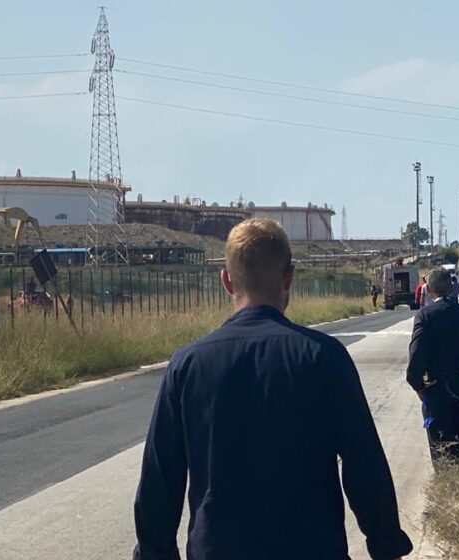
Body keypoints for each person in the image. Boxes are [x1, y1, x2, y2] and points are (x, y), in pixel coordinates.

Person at [133, 219, 412, 560]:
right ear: (288, 278)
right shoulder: (324, 357)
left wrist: (154, 553)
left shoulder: (187, 365)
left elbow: (160, 484)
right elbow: (363, 462)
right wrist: (385, 544)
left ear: (226, 280)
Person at [407, 268, 459, 468]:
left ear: (429, 289)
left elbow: (415, 360)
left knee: (442, 452)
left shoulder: (425, 316)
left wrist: (422, 384)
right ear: (452, 287)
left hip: (435, 391)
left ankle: (447, 484)